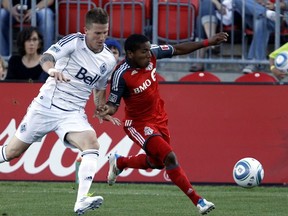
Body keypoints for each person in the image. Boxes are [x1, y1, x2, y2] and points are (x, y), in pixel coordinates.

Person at [0, 8, 119, 215]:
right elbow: (46, 57)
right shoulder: (74, 42)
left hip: (72, 113)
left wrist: (100, 108)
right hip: (46, 107)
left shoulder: (108, 60)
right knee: (12, 153)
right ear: (86, 30)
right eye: (97, 33)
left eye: (105, 32)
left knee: (92, 143)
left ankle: (81, 199)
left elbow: (99, 87)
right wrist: (52, 70)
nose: (102, 38)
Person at [97, 32, 229, 215]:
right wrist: (106, 110)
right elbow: (113, 104)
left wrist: (207, 42)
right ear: (130, 54)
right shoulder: (121, 74)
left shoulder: (152, 53)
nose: (148, 54)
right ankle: (199, 201)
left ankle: (120, 162)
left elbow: (179, 49)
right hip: (138, 124)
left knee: (157, 163)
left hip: (159, 118)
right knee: (170, 157)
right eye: (143, 52)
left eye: (148, 50)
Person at [233, 0, 287, 74]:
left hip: (275, 19)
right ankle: (265, 13)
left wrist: (274, 5)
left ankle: (253, 63)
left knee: (261, 21)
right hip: (253, 15)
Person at [191, 0, 233, 72]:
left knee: (203, 12)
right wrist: (216, 3)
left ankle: (199, 61)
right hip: (215, 15)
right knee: (203, 10)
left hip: (234, 13)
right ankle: (213, 41)